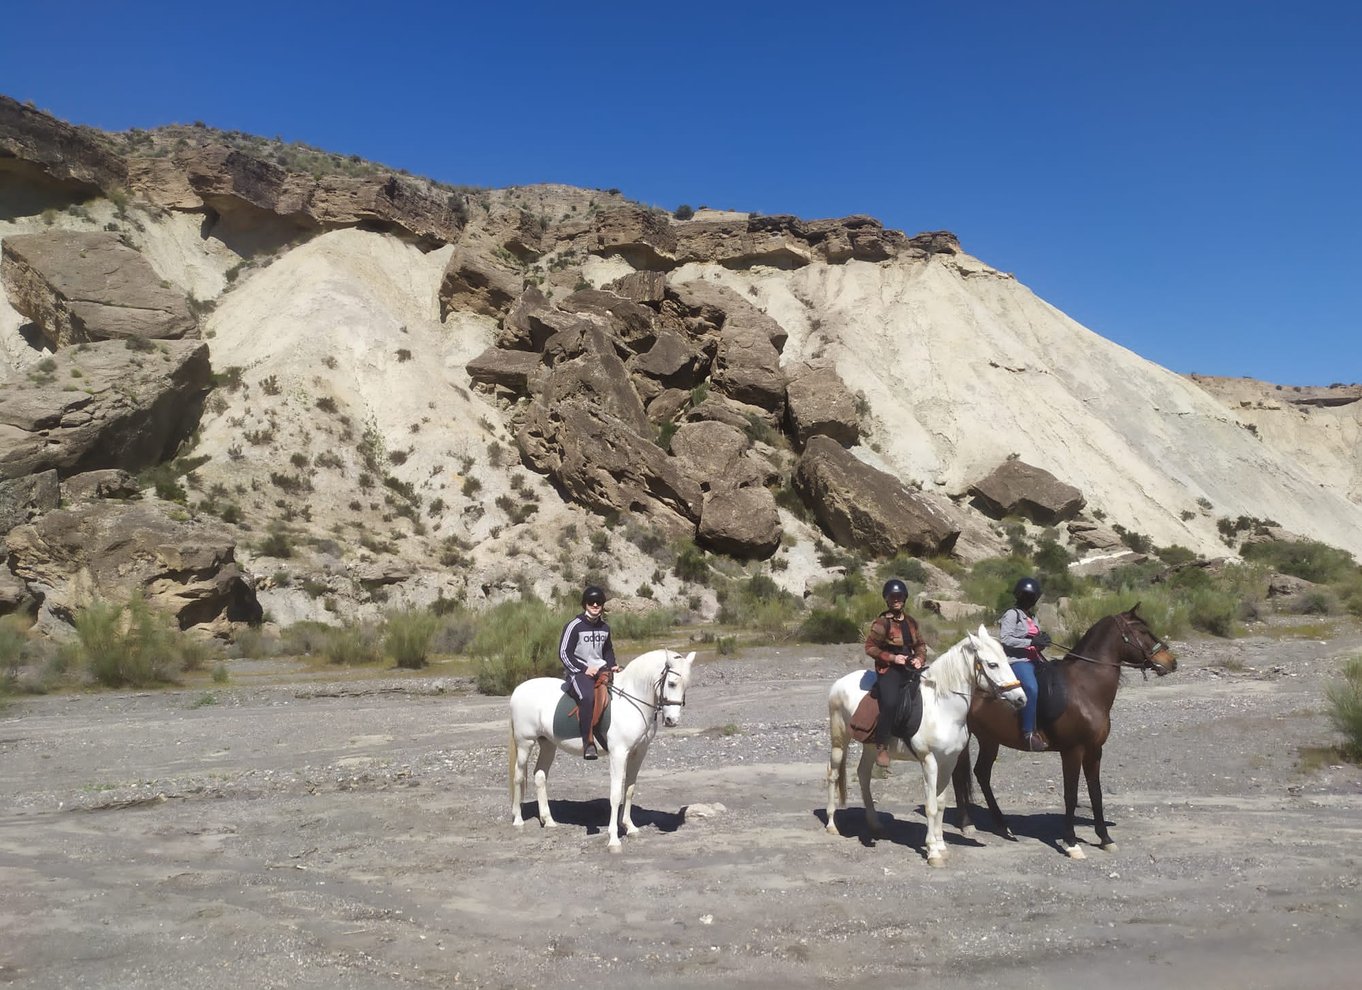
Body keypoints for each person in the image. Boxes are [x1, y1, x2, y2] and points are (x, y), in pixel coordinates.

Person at [864, 578, 928, 774]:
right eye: (893, 597)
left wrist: (919, 659)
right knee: (890, 702)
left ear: (905, 598)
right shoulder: (882, 623)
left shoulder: (911, 622)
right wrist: (892, 657)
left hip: (909, 667)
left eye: (899, 597)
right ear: (887, 599)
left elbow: (920, 645)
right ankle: (882, 746)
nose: (896, 600)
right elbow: (870, 648)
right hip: (889, 669)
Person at [558, 585, 620, 760]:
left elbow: (607, 650)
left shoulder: (605, 628)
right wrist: (584, 669)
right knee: (587, 697)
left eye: (598, 602)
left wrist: (612, 664)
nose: (595, 605)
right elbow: (564, 653)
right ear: (585, 604)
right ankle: (588, 744)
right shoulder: (574, 626)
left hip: (601, 670)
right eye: (591, 602)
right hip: (578, 673)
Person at [1000, 576, 1052, 752]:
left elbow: (1035, 640)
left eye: (1032, 597)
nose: (1029, 600)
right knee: (1031, 687)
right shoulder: (1011, 614)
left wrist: (1042, 642)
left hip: (1035, 659)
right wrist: (1031, 643)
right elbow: (1005, 639)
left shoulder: (1033, 617)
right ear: (1019, 595)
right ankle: (1028, 733)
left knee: (1054, 682)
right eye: (1026, 596)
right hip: (1018, 661)